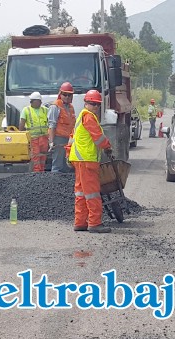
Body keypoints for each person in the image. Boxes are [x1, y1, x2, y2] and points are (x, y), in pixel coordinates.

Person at [65, 90, 113, 234]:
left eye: (97, 104)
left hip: (79, 160)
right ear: (86, 103)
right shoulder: (89, 117)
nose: (95, 107)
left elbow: (72, 138)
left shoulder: (81, 116)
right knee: (92, 193)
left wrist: (68, 154)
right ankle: (94, 223)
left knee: (80, 193)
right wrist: (108, 146)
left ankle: (80, 223)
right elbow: (98, 138)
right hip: (87, 161)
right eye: (93, 104)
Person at [47, 82, 76, 173]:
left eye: (69, 95)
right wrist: (51, 142)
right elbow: (52, 125)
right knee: (58, 165)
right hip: (59, 139)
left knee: (67, 165)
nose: (67, 97)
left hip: (69, 139)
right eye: (65, 94)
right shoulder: (55, 107)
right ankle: (54, 184)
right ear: (60, 94)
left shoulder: (71, 107)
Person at [19, 92, 49, 172]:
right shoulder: (26, 110)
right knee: (35, 157)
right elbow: (21, 125)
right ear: (33, 101)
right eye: (39, 101)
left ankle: (42, 171)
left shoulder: (45, 110)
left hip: (44, 138)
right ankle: (36, 173)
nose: (41, 103)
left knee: (43, 157)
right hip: (33, 138)